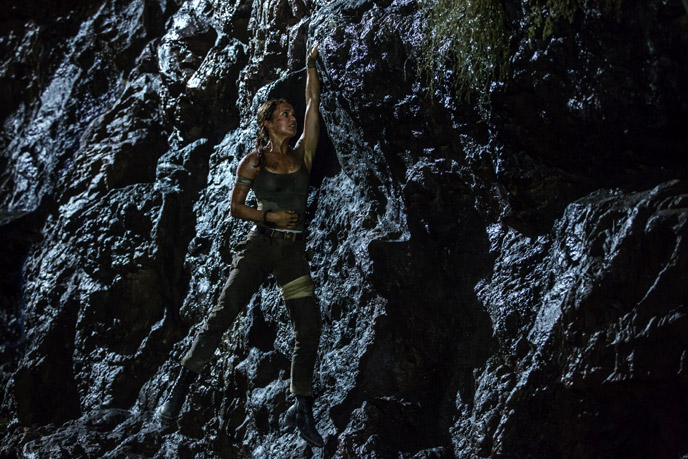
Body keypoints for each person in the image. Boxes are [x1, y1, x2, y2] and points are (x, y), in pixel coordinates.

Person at [156, 43, 324, 448]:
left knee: (308, 325)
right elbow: (236, 208)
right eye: (283, 115)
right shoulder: (254, 161)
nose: (292, 118)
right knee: (223, 312)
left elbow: (312, 102)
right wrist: (270, 217)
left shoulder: (303, 153)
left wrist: (310, 66)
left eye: (291, 114)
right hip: (260, 246)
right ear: (267, 123)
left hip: (291, 253)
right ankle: (178, 392)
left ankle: (301, 406)